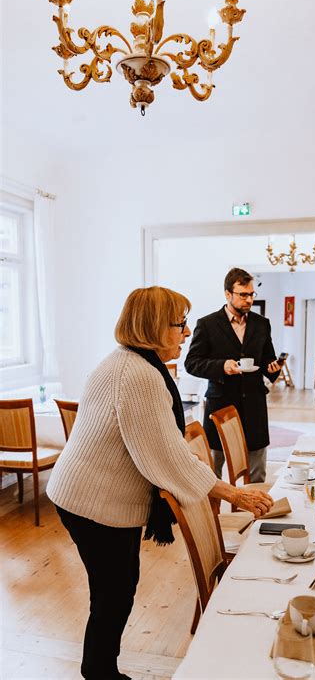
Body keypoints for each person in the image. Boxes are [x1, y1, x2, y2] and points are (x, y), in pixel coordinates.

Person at [46, 286, 273, 680]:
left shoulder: (129, 363)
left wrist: (223, 488)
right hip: (91, 499)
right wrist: (231, 492)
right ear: (153, 326)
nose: (186, 333)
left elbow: (166, 446)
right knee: (114, 592)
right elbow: (164, 459)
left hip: (82, 490)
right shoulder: (137, 375)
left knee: (115, 588)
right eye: (179, 324)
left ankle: (98, 667)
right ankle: (99, 671)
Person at [185, 268, 282, 482]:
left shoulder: (261, 324)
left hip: (254, 406)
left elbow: (268, 360)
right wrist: (221, 367)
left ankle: (256, 513)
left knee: (257, 473)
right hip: (221, 407)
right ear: (228, 294)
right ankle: (213, 514)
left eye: (251, 294)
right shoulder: (207, 324)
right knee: (212, 473)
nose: (249, 300)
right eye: (243, 295)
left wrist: (273, 368)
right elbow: (191, 363)